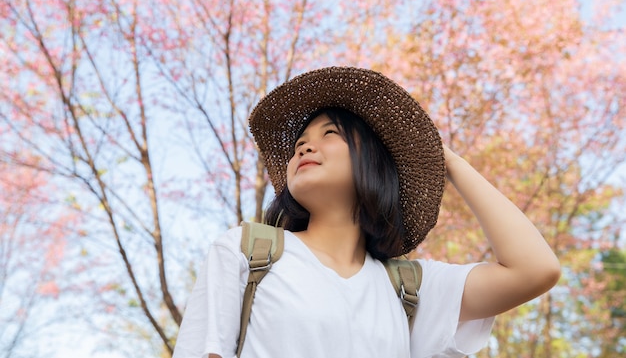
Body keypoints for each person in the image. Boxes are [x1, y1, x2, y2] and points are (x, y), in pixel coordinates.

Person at [172, 67, 561, 358]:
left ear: (373, 162)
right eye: (299, 145)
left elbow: (535, 270)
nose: (304, 149)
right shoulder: (248, 252)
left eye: (330, 135)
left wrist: (446, 159)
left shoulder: (408, 288)